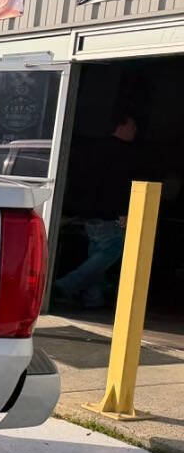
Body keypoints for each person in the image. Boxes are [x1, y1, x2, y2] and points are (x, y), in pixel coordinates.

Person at [53, 110, 143, 308]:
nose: (135, 130)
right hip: (109, 214)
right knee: (112, 250)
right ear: (122, 126)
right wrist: (123, 211)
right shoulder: (123, 154)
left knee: (97, 257)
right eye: (132, 126)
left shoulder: (94, 149)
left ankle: (93, 299)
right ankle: (66, 285)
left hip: (89, 212)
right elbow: (118, 185)